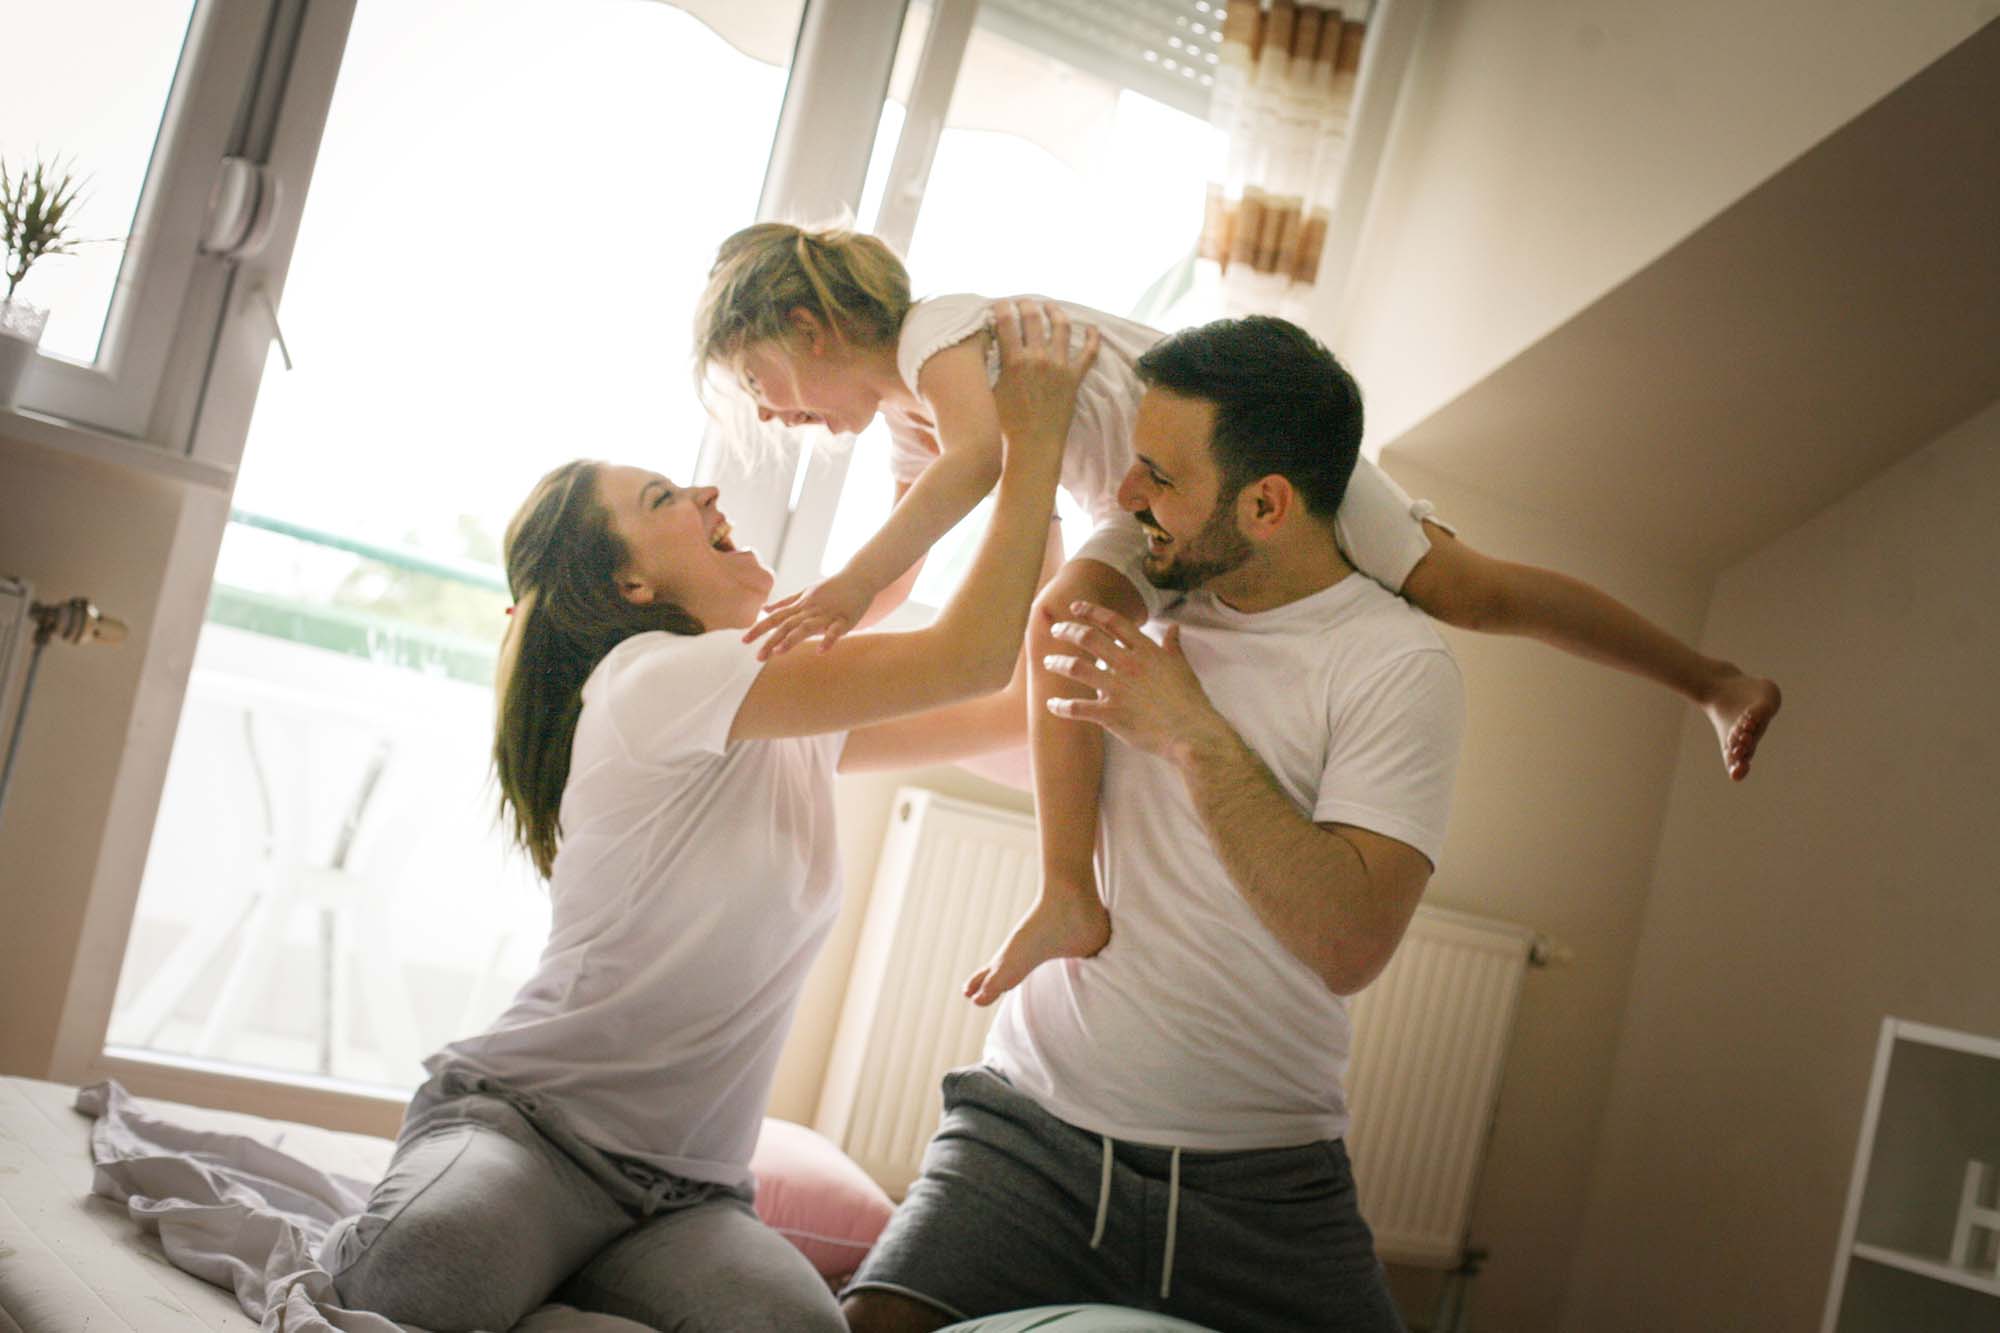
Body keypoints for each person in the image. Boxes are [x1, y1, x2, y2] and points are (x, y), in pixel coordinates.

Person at [692, 222, 1781, 1010]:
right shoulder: (905, 417)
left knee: (1467, 588)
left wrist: (838, 594)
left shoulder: (939, 333)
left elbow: (980, 462)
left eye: (759, 381)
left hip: (1218, 467)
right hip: (1147, 514)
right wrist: (803, 627)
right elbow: (904, 554)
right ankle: (1069, 890)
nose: (771, 413)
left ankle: (1709, 677)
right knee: (1064, 617)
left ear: (808, 324)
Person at [317, 302, 1096, 1333]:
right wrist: (1022, 449)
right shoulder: (648, 681)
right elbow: (966, 652)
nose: (707, 491)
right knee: (420, 1284)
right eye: (663, 497)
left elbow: (1000, 704)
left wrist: (1007, 490)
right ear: (629, 581)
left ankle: (553, 1294)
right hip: (528, 1133)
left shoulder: (787, 717)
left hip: (687, 1197)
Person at [840, 316, 1462, 1333]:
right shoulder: (1135, 566)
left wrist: (1191, 734)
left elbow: (1346, 942)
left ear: (1265, 504)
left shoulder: (1396, 668)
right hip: (1029, 1131)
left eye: (1158, 477)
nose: (1125, 495)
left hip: (1265, 1185)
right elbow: (1014, 638)